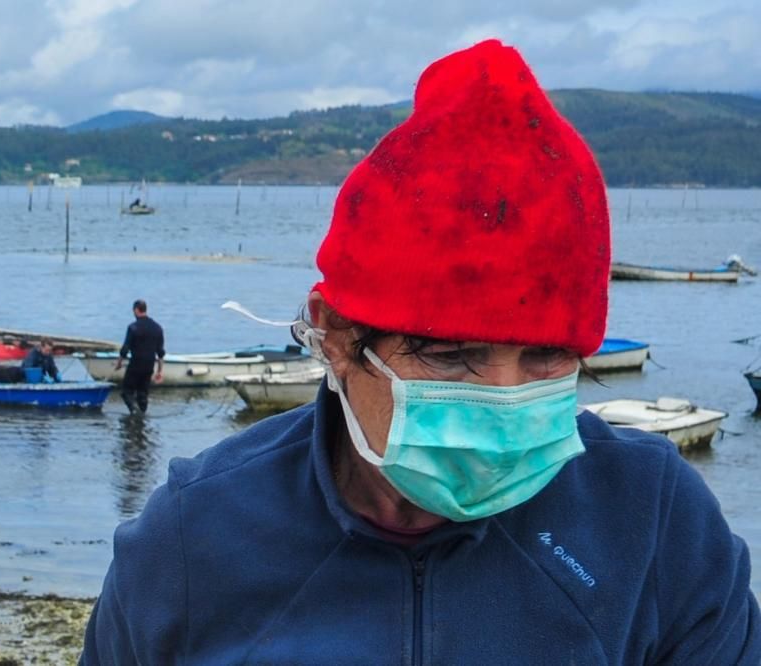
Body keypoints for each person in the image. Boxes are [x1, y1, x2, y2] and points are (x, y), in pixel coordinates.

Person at [80, 40, 760, 664]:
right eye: (453, 355)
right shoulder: (192, 540)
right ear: (338, 337)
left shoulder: (654, 526)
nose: (501, 398)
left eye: (547, 357)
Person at [115, 299, 165, 414]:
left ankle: (134, 412)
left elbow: (125, 349)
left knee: (126, 392)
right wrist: (160, 371)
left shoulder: (133, 327)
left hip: (136, 364)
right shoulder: (157, 328)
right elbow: (160, 352)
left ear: (136, 310)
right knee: (143, 394)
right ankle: (142, 418)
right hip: (149, 365)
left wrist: (119, 363)